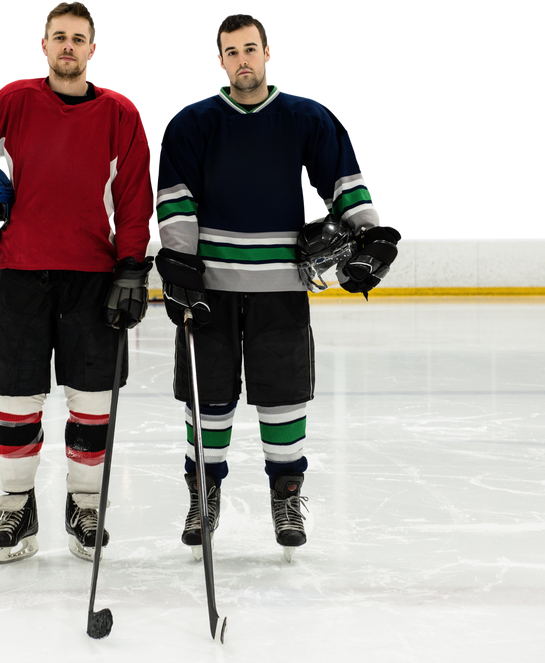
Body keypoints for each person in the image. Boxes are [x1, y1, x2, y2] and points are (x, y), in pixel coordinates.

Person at [0, 0, 155, 564]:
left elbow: (137, 197)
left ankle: (85, 508)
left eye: (79, 38)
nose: (68, 46)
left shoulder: (123, 113)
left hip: (95, 280)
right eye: (58, 37)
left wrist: (133, 266)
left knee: (93, 402)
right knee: (14, 399)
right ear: (42, 46)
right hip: (20, 274)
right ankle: (18, 508)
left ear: (94, 49)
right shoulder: (13, 99)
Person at [153, 11, 401, 561]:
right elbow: (173, 195)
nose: (243, 60)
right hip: (209, 288)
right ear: (219, 62)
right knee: (208, 398)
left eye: (251, 49)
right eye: (231, 52)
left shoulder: (308, 116)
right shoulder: (192, 121)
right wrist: (180, 264)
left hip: (282, 287)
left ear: (269, 53)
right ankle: (204, 495)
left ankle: (286, 496)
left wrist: (371, 237)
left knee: (284, 398)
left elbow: (345, 181)